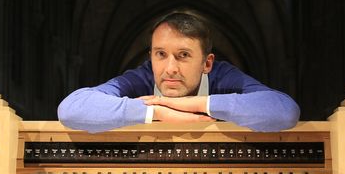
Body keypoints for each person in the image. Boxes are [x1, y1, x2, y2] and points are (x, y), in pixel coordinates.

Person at [57, 12, 300, 132]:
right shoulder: (142, 76)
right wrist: (157, 111)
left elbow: (284, 111)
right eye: (160, 54)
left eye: (183, 55)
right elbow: (71, 108)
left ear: (207, 63)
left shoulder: (223, 76)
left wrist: (196, 104)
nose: (170, 68)